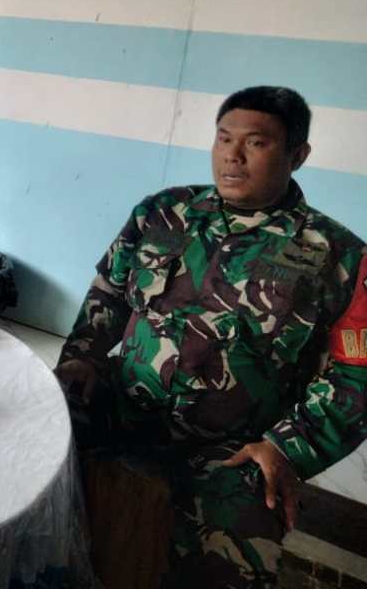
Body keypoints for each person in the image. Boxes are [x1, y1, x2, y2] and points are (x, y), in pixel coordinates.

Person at [55, 86, 367, 587]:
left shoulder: (339, 256)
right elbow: (108, 293)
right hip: (125, 401)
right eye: (224, 138)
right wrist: (83, 356)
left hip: (233, 445)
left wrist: (288, 448)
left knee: (236, 543)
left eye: (255, 143)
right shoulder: (163, 213)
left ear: (298, 155)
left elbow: (356, 378)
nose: (232, 156)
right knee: (30, 438)